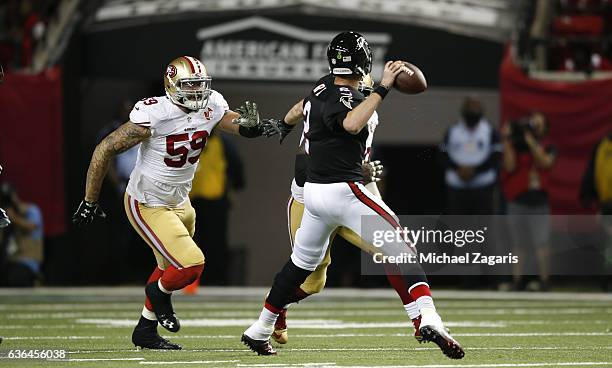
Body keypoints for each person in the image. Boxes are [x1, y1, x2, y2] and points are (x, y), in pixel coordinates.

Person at [242, 32, 464, 359]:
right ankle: (429, 318)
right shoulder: (352, 96)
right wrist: (383, 88)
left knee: (300, 265)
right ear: (363, 63)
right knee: (403, 247)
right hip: (339, 192)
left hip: (317, 194)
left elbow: (303, 107)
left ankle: (259, 329)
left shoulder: (322, 87)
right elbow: (349, 123)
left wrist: (282, 124)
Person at [72, 56, 273, 350]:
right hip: (148, 202)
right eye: (190, 86)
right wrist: (90, 199)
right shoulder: (154, 113)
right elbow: (104, 150)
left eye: (200, 86)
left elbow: (230, 121)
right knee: (191, 265)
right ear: (172, 85)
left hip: (181, 200)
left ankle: (145, 330)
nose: (197, 93)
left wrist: (252, 127)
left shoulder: (211, 103)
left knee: (169, 265)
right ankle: (158, 293)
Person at [501, 112, 556, 291]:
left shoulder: (548, 146)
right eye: (533, 124)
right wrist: (507, 140)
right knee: (518, 244)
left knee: (541, 243)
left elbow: (545, 162)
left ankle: (544, 281)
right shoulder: (517, 144)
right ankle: (517, 281)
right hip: (518, 198)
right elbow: (509, 166)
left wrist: (531, 141)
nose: (535, 127)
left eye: (538, 125)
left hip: (538, 200)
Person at [185, 131, 245, 292]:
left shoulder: (223, 142)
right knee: (186, 241)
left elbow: (236, 167)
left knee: (215, 241)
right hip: (189, 200)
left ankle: (216, 280)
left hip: (215, 199)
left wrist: (233, 189)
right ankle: (188, 281)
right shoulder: (187, 140)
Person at [440, 97, 501, 215]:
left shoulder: (490, 130)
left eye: (475, 110)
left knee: (482, 227)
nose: (473, 113)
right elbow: (442, 155)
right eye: (470, 110)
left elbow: (496, 156)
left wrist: (475, 171)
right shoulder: (453, 130)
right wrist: (458, 169)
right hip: (457, 186)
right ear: (463, 111)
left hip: (482, 186)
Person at [580, 131, 612, 289]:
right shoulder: (602, 146)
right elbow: (593, 172)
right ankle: (607, 280)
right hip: (607, 202)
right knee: (607, 243)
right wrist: (591, 198)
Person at [0, 183, 44, 286]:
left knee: (16, 277)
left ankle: (36, 280)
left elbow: (32, 227)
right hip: (8, 261)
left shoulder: (31, 211)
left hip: (26, 262)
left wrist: (13, 217)